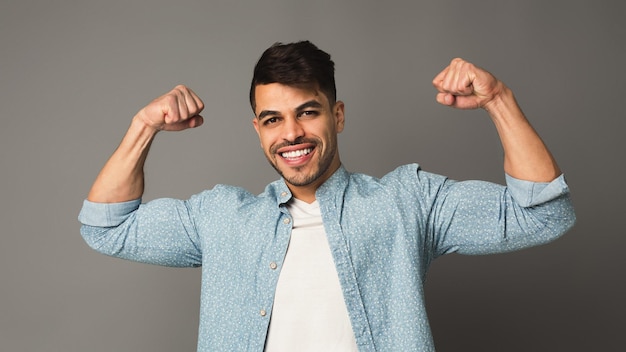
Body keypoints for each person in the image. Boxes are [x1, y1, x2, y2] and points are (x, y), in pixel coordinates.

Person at [78, 41, 575, 352]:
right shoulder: (222, 218)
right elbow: (106, 227)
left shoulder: (407, 202)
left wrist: (498, 99)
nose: (291, 133)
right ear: (258, 130)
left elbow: (544, 214)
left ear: (337, 115)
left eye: (308, 112)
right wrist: (144, 127)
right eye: (273, 119)